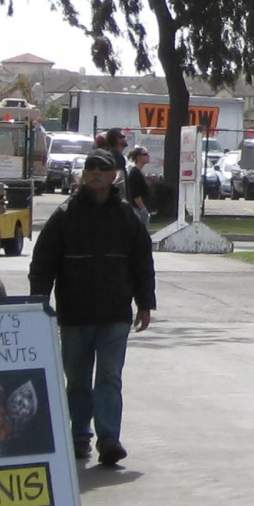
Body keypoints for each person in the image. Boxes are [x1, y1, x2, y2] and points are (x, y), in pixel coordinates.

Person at [29, 150, 156, 466]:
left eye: (103, 168)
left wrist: (145, 304)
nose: (96, 172)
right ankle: (78, 437)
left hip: (115, 314)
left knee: (110, 378)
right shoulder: (65, 215)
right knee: (78, 380)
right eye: (91, 167)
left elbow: (143, 263)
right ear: (83, 175)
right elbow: (43, 262)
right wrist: (38, 301)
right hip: (74, 314)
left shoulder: (128, 217)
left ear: (114, 176)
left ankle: (109, 439)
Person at [125, 146, 154, 227]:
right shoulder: (135, 173)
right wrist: (143, 209)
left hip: (141, 208)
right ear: (138, 157)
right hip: (138, 209)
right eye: (145, 154)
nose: (148, 156)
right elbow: (136, 194)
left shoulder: (139, 172)